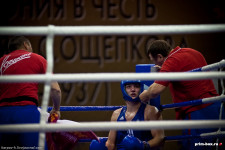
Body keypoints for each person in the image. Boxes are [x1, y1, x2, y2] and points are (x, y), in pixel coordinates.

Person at [139, 40, 224, 150]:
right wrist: (166, 69)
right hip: (216, 108)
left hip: (197, 111)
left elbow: (155, 91)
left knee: (197, 146)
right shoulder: (191, 51)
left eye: (155, 60)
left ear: (160, 56)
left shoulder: (171, 61)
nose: (156, 64)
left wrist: (144, 95)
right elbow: (183, 68)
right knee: (217, 145)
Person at [0, 36, 61, 148]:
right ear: (26, 45)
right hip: (27, 113)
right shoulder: (37, 58)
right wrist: (56, 109)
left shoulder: (1, 61)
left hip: (2, 114)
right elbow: (55, 89)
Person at [90, 80, 164, 150]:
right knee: (96, 144)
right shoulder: (116, 114)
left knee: (131, 144)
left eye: (136, 86)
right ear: (124, 89)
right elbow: (111, 143)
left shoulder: (150, 111)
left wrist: (143, 145)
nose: (133, 89)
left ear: (140, 88)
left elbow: (159, 138)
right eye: (129, 87)